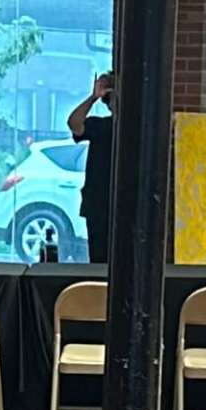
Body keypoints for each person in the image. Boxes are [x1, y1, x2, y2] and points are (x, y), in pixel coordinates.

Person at [67, 70, 115, 266]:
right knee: (99, 262)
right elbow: (74, 123)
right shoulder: (101, 127)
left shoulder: (140, 129)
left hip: (128, 208)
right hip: (98, 204)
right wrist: (93, 98)